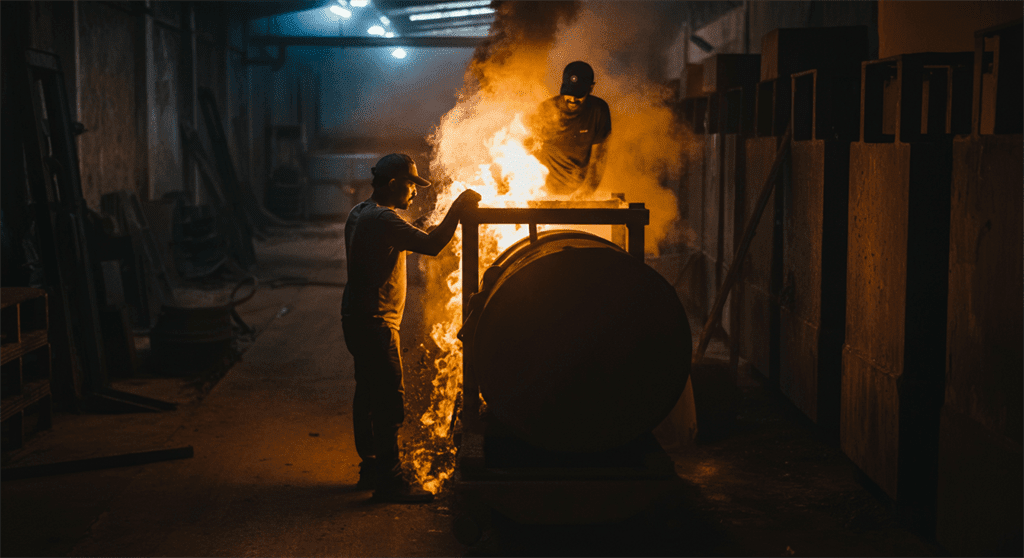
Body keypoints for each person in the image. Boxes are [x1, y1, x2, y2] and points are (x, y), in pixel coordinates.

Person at [341, 153, 481, 503]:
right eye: (410, 185)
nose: (414, 193)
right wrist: (459, 207)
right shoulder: (385, 220)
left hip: (356, 318)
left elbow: (404, 235)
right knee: (389, 399)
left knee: (368, 394)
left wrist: (431, 220)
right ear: (392, 184)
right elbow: (432, 245)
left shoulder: (360, 213)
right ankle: (390, 484)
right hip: (378, 322)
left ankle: (370, 468)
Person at [531, 61, 612, 197]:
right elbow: (529, 151)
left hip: (578, 187)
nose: (573, 99)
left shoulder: (599, 110)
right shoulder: (546, 109)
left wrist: (585, 193)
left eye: (579, 94)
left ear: (591, 88)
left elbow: (599, 159)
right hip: (542, 189)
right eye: (569, 92)